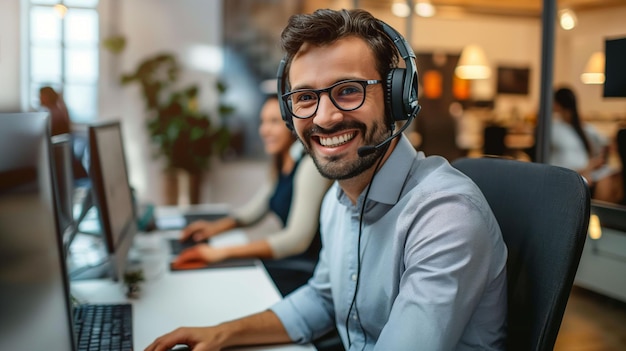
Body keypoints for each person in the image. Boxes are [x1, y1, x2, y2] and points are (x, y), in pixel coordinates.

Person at [146, 9, 507, 351]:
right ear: (291, 114)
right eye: (305, 98)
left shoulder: (445, 216)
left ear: (397, 98)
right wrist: (223, 333)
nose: (326, 117)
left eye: (348, 90)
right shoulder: (339, 199)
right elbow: (323, 298)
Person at [173, 95, 331, 296]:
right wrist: (212, 228)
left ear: (294, 124)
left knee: (229, 279)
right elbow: (253, 212)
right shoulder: (281, 164)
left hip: (309, 273)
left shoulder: (310, 166)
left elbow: (296, 240)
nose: (264, 130)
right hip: (292, 263)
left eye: (274, 121)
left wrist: (221, 253)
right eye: (263, 122)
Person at [549, 86, 614, 196]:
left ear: (556, 104)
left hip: (584, 173)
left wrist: (593, 165)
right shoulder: (555, 128)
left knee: (611, 177)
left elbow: (606, 143)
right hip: (572, 176)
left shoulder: (584, 128)